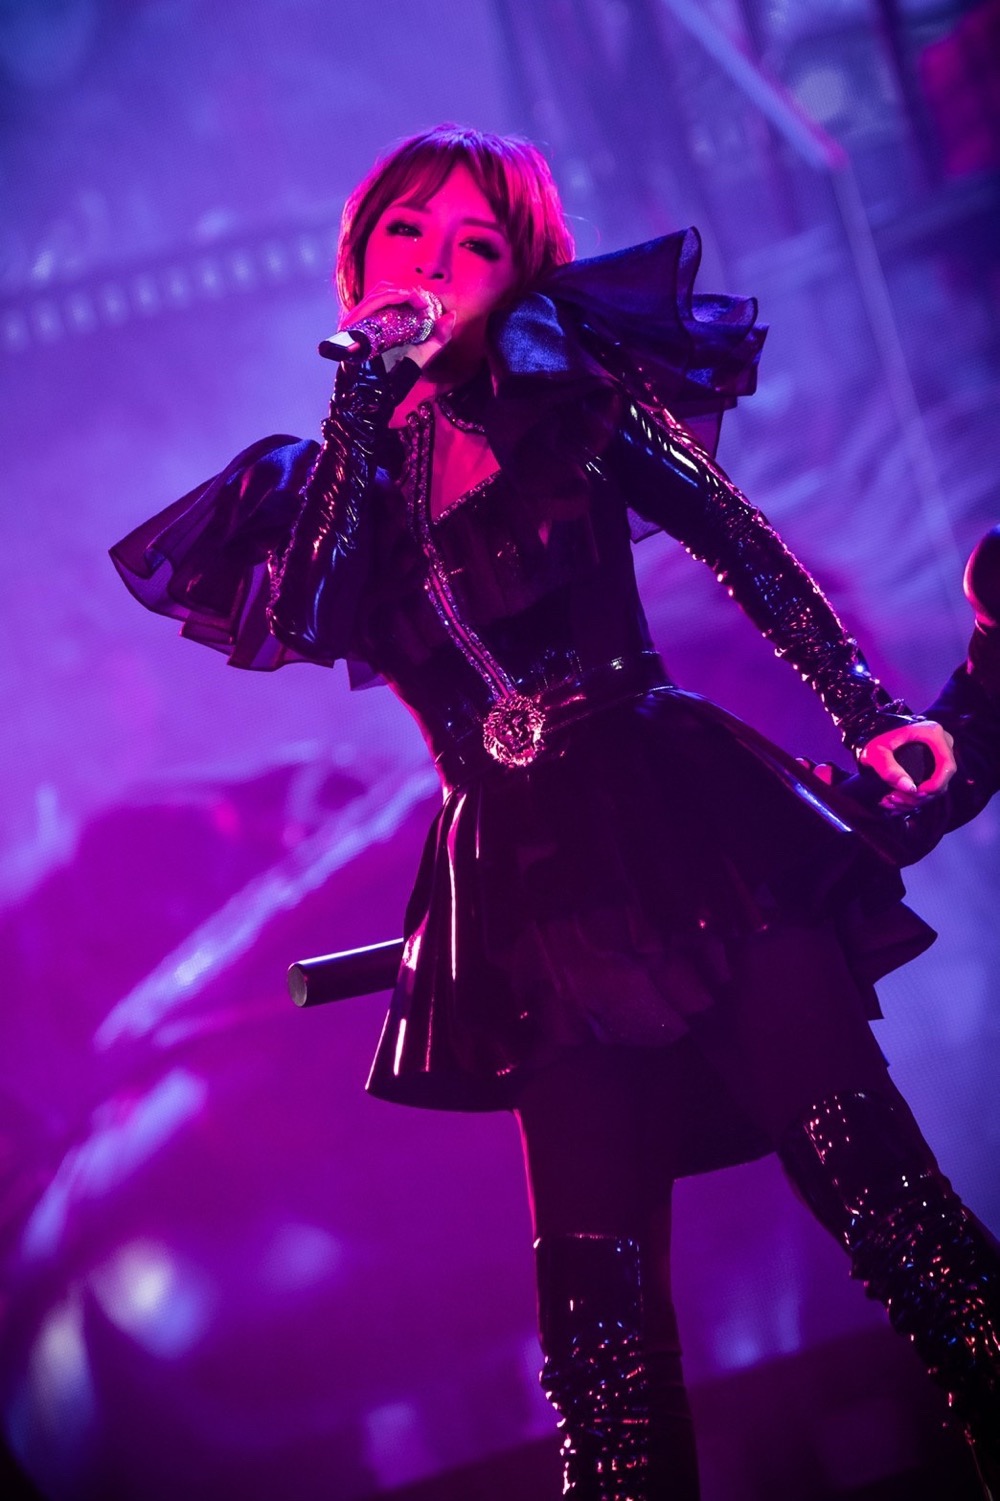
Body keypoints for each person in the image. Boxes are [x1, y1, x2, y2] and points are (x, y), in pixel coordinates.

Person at [110, 125, 999, 1499]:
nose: (437, 263)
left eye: (477, 245)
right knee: (601, 1354)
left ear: (515, 276)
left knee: (894, 1218)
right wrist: (363, 402)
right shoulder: (315, 487)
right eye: (411, 232)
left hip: (678, 819)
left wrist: (866, 706)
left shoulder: (569, 394)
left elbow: (736, 541)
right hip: (520, 893)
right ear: (362, 255)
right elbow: (315, 614)